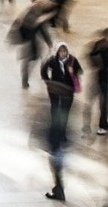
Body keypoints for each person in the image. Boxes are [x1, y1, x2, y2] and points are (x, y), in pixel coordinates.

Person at [39, 43, 82, 201]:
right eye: (61, 50)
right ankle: (58, 189)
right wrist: (48, 81)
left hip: (67, 92)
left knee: (57, 165)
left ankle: (59, 190)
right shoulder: (52, 61)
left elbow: (79, 71)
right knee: (57, 165)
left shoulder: (72, 61)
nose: (63, 53)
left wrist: (72, 72)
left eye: (64, 50)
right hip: (56, 90)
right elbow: (44, 70)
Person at [87, 28, 108, 136]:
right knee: (98, 101)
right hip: (99, 76)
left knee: (104, 102)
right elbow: (91, 56)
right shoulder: (99, 45)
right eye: (107, 37)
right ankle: (102, 121)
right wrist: (96, 64)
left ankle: (103, 125)